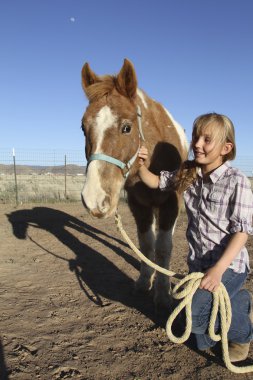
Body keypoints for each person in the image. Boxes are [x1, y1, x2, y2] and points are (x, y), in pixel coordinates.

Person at [138, 112, 253, 362]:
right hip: (198, 265)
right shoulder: (188, 173)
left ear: (226, 148)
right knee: (197, 331)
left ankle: (242, 335)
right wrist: (140, 165)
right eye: (196, 137)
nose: (197, 144)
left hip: (228, 266)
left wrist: (218, 270)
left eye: (207, 140)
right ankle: (240, 303)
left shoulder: (238, 182)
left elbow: (242, 232)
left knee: (197, 318)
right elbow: (155, 181)